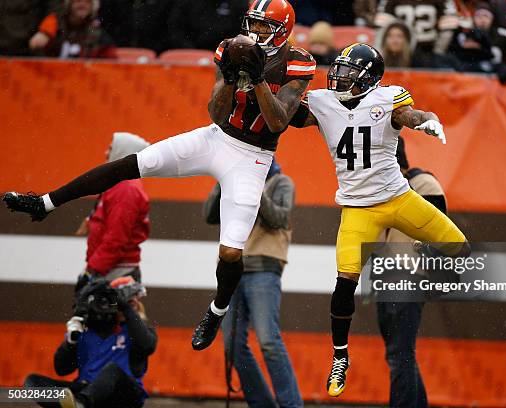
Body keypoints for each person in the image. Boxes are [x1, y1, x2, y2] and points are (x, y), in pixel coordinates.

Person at [3, 0, 315, 352]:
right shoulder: (230, 47)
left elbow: (276, 122)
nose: (255, 33)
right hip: (217, 138)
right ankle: (45, 202)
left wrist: (256, 78)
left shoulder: (297, 61)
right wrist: (230, 76)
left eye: (264, 27)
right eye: (253, 24)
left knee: (230, 252)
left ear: (283, 30)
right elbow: (216, 112)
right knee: (134, 163)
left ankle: (216, 310)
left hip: (253, 156)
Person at [290, 43, 470, 397]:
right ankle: (340, 356)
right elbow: (289, 116)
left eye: (348, 71)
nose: (338, 76)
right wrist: (280, 82)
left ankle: (434, 286)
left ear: (369, 78)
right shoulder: (325, 103)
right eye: (338, 69)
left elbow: (411, 115)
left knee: (461, 249)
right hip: (357, 209)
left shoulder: (387, 99)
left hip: (398, 199)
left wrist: (428, 121)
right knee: (344, 282)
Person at [204, 158, 302, 408]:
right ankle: (262, 404)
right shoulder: (233, 184)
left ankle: (292, 405)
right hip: (230, 270)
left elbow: (278, 218)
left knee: (268, 341)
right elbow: (209, 215)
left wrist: (255, 186)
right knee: (232, 345)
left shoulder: (281, 183)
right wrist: (224, 181)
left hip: (264, 268)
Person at [376, 137, 446, 408]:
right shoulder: (383, 190)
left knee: (400, 355)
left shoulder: (424, 185)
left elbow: (441, 236)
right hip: (387, 277)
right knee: (398, 355)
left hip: (408, 276)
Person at [24, 278, 157, 408]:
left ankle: (81, 403)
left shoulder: (135, 331)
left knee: (112, 370)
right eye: (128, 300)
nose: (134, 302)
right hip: (88, 389)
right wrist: (71, 341)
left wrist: (126, 307)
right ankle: (71, 404)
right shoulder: (85, 331)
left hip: (123, 395)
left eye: (134, 300)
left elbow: (147, 345)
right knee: (33, 382)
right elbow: (62, 369)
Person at [74, 132, 150, 289]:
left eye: (111, 148)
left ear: (123, 152)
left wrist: (92, 271)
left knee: (92, 313)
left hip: (114, 274)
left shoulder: (125, 189)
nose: (106, 153)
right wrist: (92, 220)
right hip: (110, 271)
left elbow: (116, 238)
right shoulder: (121, 185)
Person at [380, 0, 460, 67]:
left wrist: (438, 52)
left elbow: (448, 26)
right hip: (400, 51)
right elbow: (382, 26)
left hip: (429, 49)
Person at [29, 0, 117, 59]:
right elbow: (36, 52)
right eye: (78, 0)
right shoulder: (54, 27)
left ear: (92, 6)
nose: (82, 4)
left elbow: (109, 64)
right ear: (70, 3)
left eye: (87, 1)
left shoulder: (98, 34)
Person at [447, 2, 506, 73]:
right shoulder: (465, 35)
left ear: (492, 19)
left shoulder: (503, 36)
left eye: (486, 16)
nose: (482, 20)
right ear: (474, 18)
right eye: (478, 16)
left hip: (494, 75)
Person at [167, 0, 249, 51]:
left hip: (225, 55)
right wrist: (191, 50)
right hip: (190, 53)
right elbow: (175, 28)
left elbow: (242, 32)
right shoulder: (187, 3)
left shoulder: (239, 3)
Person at [97, 0, 173, 55]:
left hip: (154, 58)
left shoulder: (166, 3)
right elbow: (103, 27)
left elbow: (171, 31)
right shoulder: (111, 4)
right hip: (117, 55)